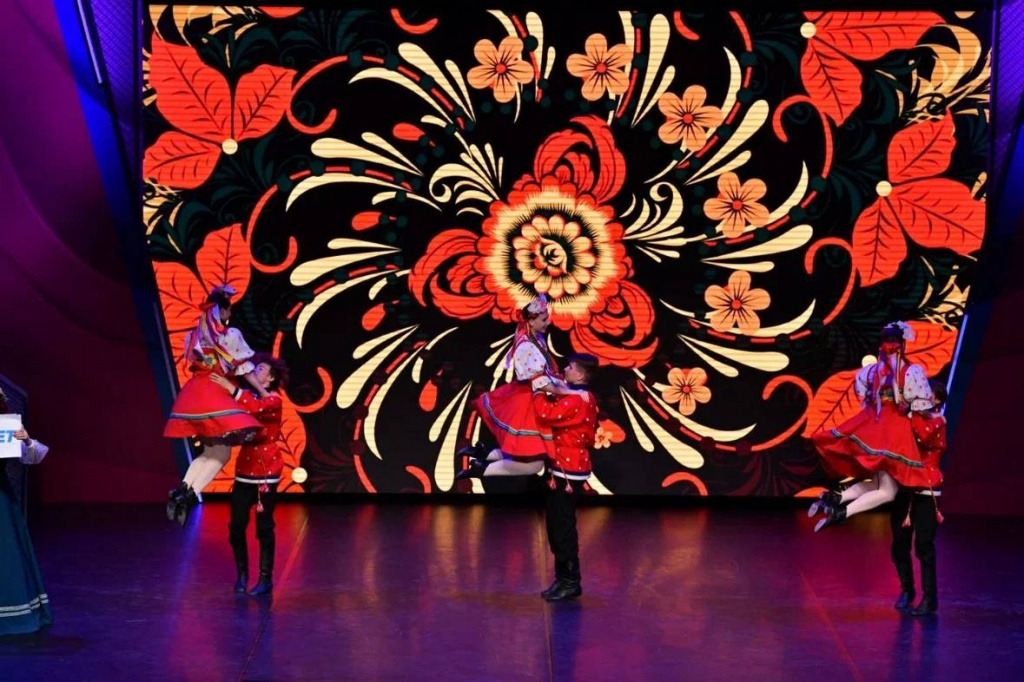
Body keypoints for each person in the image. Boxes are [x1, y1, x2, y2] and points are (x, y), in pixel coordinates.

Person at [809, 322, 940, 531]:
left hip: (873, 426)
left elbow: (865, 399)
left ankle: (836, 499)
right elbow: (921, 406)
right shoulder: (910, 372)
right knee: (887, 492)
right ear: (902, 344)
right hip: (894, 431)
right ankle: (840, 511)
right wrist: (920, 411)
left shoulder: (871, 372)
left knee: (884, 488)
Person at [165, 285, 269, 525]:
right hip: (215, 394)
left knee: (210, 452)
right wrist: (263, 391)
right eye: (229, 309)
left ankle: (182, 490)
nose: (230, 314)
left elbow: (195, 362)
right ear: (222, 311)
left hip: (193, 395)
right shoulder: (230, 335)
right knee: (222, 454)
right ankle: (189, 496)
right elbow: (245, 369)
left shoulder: (193, 335)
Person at [456, 296, 585, 480]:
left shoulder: (535, 338)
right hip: (529, 405)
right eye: (544, 319)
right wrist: (569, 391)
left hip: (535, 400)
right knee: (533, 462)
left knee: (528, 457)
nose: (548, 322)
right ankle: (482, 467)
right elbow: (540, 381)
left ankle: (484, 456)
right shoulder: (526, 346)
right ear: (531, 321)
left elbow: (545, 374)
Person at [209, 354, 288, 597]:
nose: (254, 370)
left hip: (266, 472)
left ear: (271, 378)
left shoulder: (274, 400)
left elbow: (256, 406)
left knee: (264, 527)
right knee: (236, 527)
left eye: (260, 369)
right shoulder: (248, 397)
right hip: (245, 469)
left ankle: (265, 580)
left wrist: (232, 388)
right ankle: (242, 575)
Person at [532, 354, 600, 602]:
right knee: (556, 525)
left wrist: (538, 392)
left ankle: (571, 582)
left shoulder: (577, 400)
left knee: (561, 527)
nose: (565, 369)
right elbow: (560, 390)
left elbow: (545, 414)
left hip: (567, 471)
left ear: (580, 374)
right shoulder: (580, 395)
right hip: (564, 467)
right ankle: (563, 579)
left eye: (570, 367)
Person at [890, 380, 947, 616]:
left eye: (927, 394)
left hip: (926, 489)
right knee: (899, 543)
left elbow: (922, 436)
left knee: (924, 545)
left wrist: (911, 412)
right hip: (905, 486)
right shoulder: (910, 419)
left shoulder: (937, 421)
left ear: (937, 400)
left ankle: (929, 598)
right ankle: (907, 589)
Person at [0, 388, 52, 636]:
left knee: (6, 552)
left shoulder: (6, 428)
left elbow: (33, 456)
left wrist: (27, 441)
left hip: (1, 500)